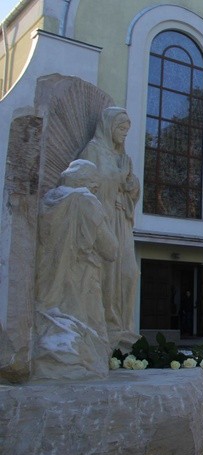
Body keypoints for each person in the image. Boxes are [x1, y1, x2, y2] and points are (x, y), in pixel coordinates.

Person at [33, 160, 118, 380]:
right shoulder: (85, 200)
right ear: (87, 182)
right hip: (80, 280)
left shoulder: (47, 201)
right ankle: (81, 365)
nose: (96, 191)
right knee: (85, 331)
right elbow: (110, 250)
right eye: (96, 186)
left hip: (45, 280)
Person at [78, 107, 141, 353]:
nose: (124, 134)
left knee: (129, 272)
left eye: (127, 130)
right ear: (108, 127)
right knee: (109, 271)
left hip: (122, 220)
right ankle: (106, 325)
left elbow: (132, 188)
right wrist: (118, 175)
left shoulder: (122, 156)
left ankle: (125, 326)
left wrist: (131, 183)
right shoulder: (93, 151)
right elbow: (86, 182)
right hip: (103, 220)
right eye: (121, 129)